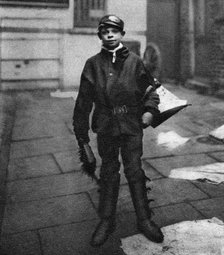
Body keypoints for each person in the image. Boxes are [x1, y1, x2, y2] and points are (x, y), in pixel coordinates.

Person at [73, 14, 164, 247]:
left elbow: (151, 91)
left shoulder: (135, 62)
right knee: (109, 171)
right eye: (105, 32)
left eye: (114, 31)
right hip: (106, 126)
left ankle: (144, 219)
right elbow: (83, 102)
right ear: (100, 36)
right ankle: (106, 220)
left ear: (122, 34)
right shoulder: (92, 65)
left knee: (134, 170)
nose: (110, 35)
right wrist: (81, 136)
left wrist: (149, 111)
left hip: (132, 126)